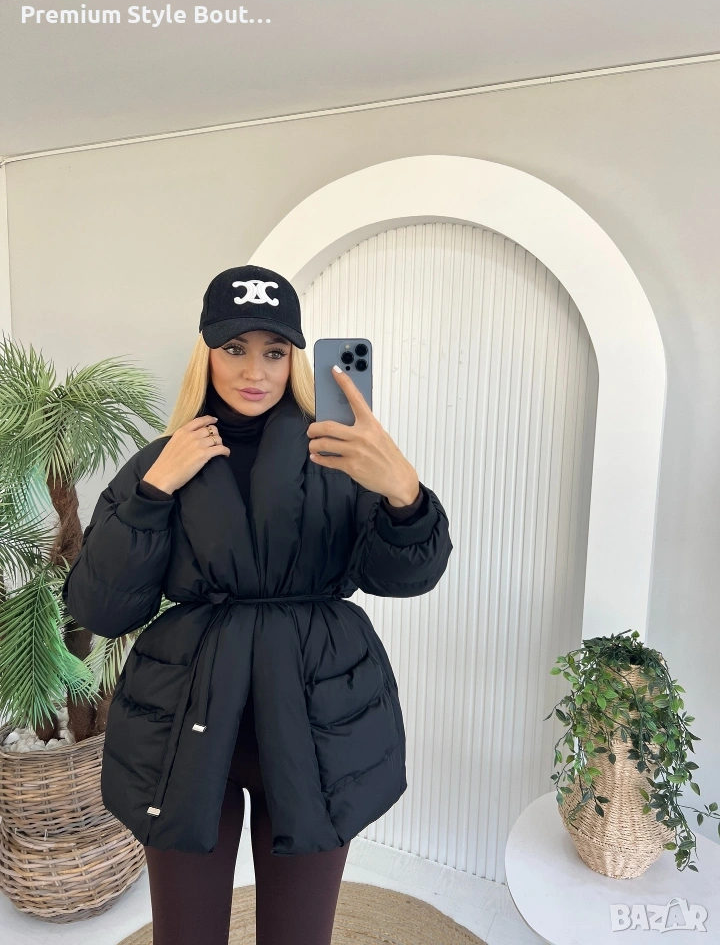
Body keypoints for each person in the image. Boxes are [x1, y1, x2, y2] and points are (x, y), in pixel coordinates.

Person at [62, 264, 453, 945]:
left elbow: (404, 576)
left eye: (274, 351)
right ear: (206, 355)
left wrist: (404, 495)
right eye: (234, 348)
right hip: (186, 729)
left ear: (296, 358)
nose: (254, 370)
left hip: (317, 725)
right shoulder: (162, 460)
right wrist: (152, 493)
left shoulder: (339, 452)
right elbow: (99, 607)